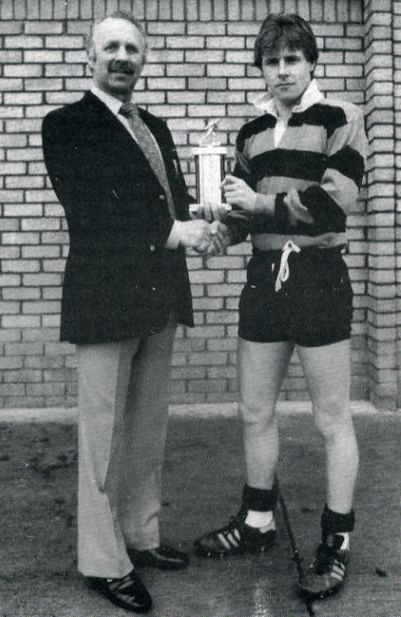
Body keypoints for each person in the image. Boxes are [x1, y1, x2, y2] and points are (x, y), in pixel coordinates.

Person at [42, 11, 226, 614]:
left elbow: (175, 203)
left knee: (148, 429)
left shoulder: (156, 127)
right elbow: (93, 209)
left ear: (143, 59)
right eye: (111, 47)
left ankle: (141, 536)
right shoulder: (66, 125)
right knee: (104, 435)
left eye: (132, 49)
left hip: (160, 298)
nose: (122, 57)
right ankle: (103, 562)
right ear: (89, 57)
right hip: (104, 299)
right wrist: (177, 233)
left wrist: (213, 224)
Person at [194, 13, 368, 602]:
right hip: (265, 277)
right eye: (272, 61)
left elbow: (335, 204)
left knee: (331, 418)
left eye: (293, 59)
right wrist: (220, 230)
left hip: (318, 275)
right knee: (253, 411)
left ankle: (336, 541)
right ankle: (258, 522)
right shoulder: (251, 133)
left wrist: (260, 205)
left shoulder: (342, 118)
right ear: (262, 69)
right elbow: (244, 216)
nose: (283, 70)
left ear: (312, 62)